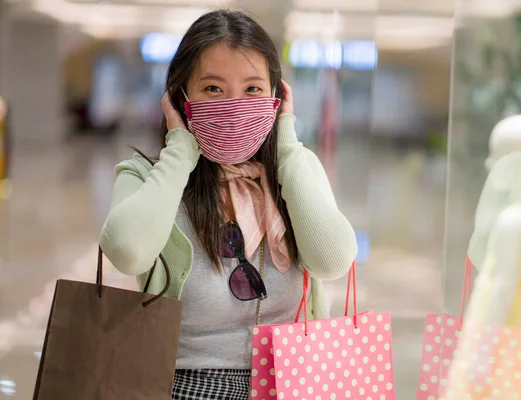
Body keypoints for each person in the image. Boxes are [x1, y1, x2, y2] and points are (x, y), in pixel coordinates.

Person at [99, 9, 358, 400]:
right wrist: (180, 152)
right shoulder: (147, 177)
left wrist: (286, 149)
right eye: (214, 89)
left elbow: (333, 260)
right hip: (181, 386)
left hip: (292, 382)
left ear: (277, 98)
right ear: (179, 97)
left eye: (252, 89)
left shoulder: (295, 170)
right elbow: (127, 252)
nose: (235, 108)